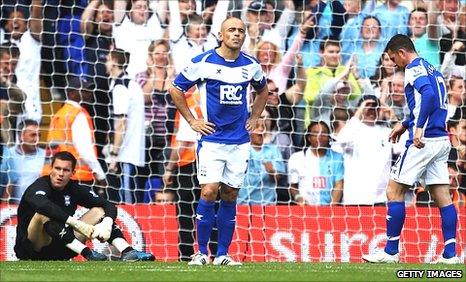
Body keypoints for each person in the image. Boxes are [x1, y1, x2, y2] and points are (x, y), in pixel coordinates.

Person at [169, 16, 268, 266]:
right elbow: (175, 89)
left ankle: (222, 254)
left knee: (230, 194)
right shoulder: (203, 63)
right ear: (221, 36)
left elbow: (263, 90)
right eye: (231, 30)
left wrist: (254, 116)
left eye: (241, 31)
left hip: (239, 142)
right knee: (209, 191)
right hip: (211, 141)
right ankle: (201, 252)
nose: (237, 34)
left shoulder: (251, 65)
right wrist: (192, 121)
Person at [363, 34, 460, 264]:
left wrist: (416, 129)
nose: (394, 64)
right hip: (440, 140)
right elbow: (429, 100)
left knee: (393, 191)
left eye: (393, 59)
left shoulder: (413, 68)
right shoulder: (431, 68)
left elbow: (426, 95)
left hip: (423, 141)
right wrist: (404, 123)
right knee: (443, 197)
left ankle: (390, 252)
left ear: (401, 53)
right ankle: (450, 255)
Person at [14, 151, 154, 261]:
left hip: (62, 246)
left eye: (66, 170)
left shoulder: (74, 188)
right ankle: (87, 253)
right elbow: (43, 205)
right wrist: (75, 223)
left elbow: (108, 204)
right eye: (57, 168)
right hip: (33, 248)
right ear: (51, 169)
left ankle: (128, 251)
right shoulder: (39, 186)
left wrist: (107, 222)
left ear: (73, 173)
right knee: (43, 214)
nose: (60, 174)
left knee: (99, 211)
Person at [106, 48, 145, 204]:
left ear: (114, 62)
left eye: (108, 59)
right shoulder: (132, 84)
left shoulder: (120, 87)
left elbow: (121, 123)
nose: (105, 63)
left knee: (127, 204)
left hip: (126, 155)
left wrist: (114, 155)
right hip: (136, 153)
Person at [288, 121, 344, 205]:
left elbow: (338, 185)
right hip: (305, 210)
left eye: (323, 133)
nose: (320, 137)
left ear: (329, 137)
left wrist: (331, 209)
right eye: (315, 133)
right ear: (309, 137)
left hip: (329, 211)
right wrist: (299, 199)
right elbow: (292, 186)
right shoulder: (296, 158)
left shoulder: (337, 157)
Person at [1, 119, 45, 202]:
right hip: (11, 208)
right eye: (33, 135)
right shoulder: (8, 154)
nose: (37, 139)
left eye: (39, 135)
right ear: (21, 136)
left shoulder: (45, 156)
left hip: (35, 208)